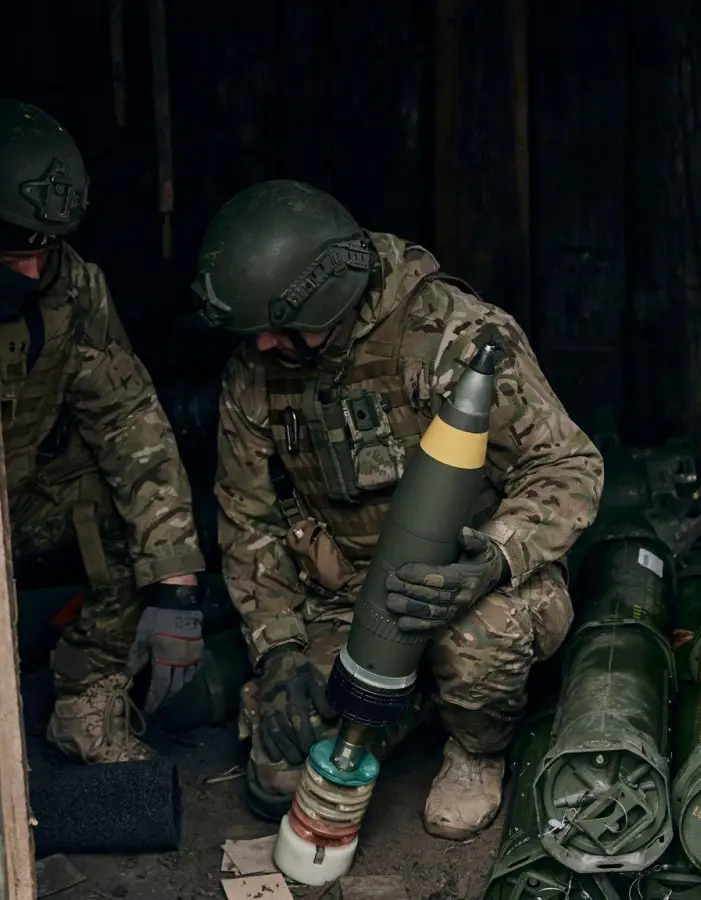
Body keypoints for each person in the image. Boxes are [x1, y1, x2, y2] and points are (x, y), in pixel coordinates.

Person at [198, 180, 604, 839]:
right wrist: (279, 650)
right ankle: (402, 700)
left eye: (278, 328)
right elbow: (249, 520)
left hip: (460, 583)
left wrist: (493, 559)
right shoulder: (255, 375)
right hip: (347, 596)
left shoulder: (458, 337)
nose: (264, 345)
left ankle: (476, 746)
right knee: (280, 780)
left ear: (322, 294)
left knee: (483, 638)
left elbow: (568, 466)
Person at [0, 98, 206, 764]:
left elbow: (127, 417)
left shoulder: (70, 286)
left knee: (132, 519)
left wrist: (177, 585)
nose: (31, 270)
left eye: (44, 249)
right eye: (14, 248)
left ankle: (86, 706)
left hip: (22, 500)